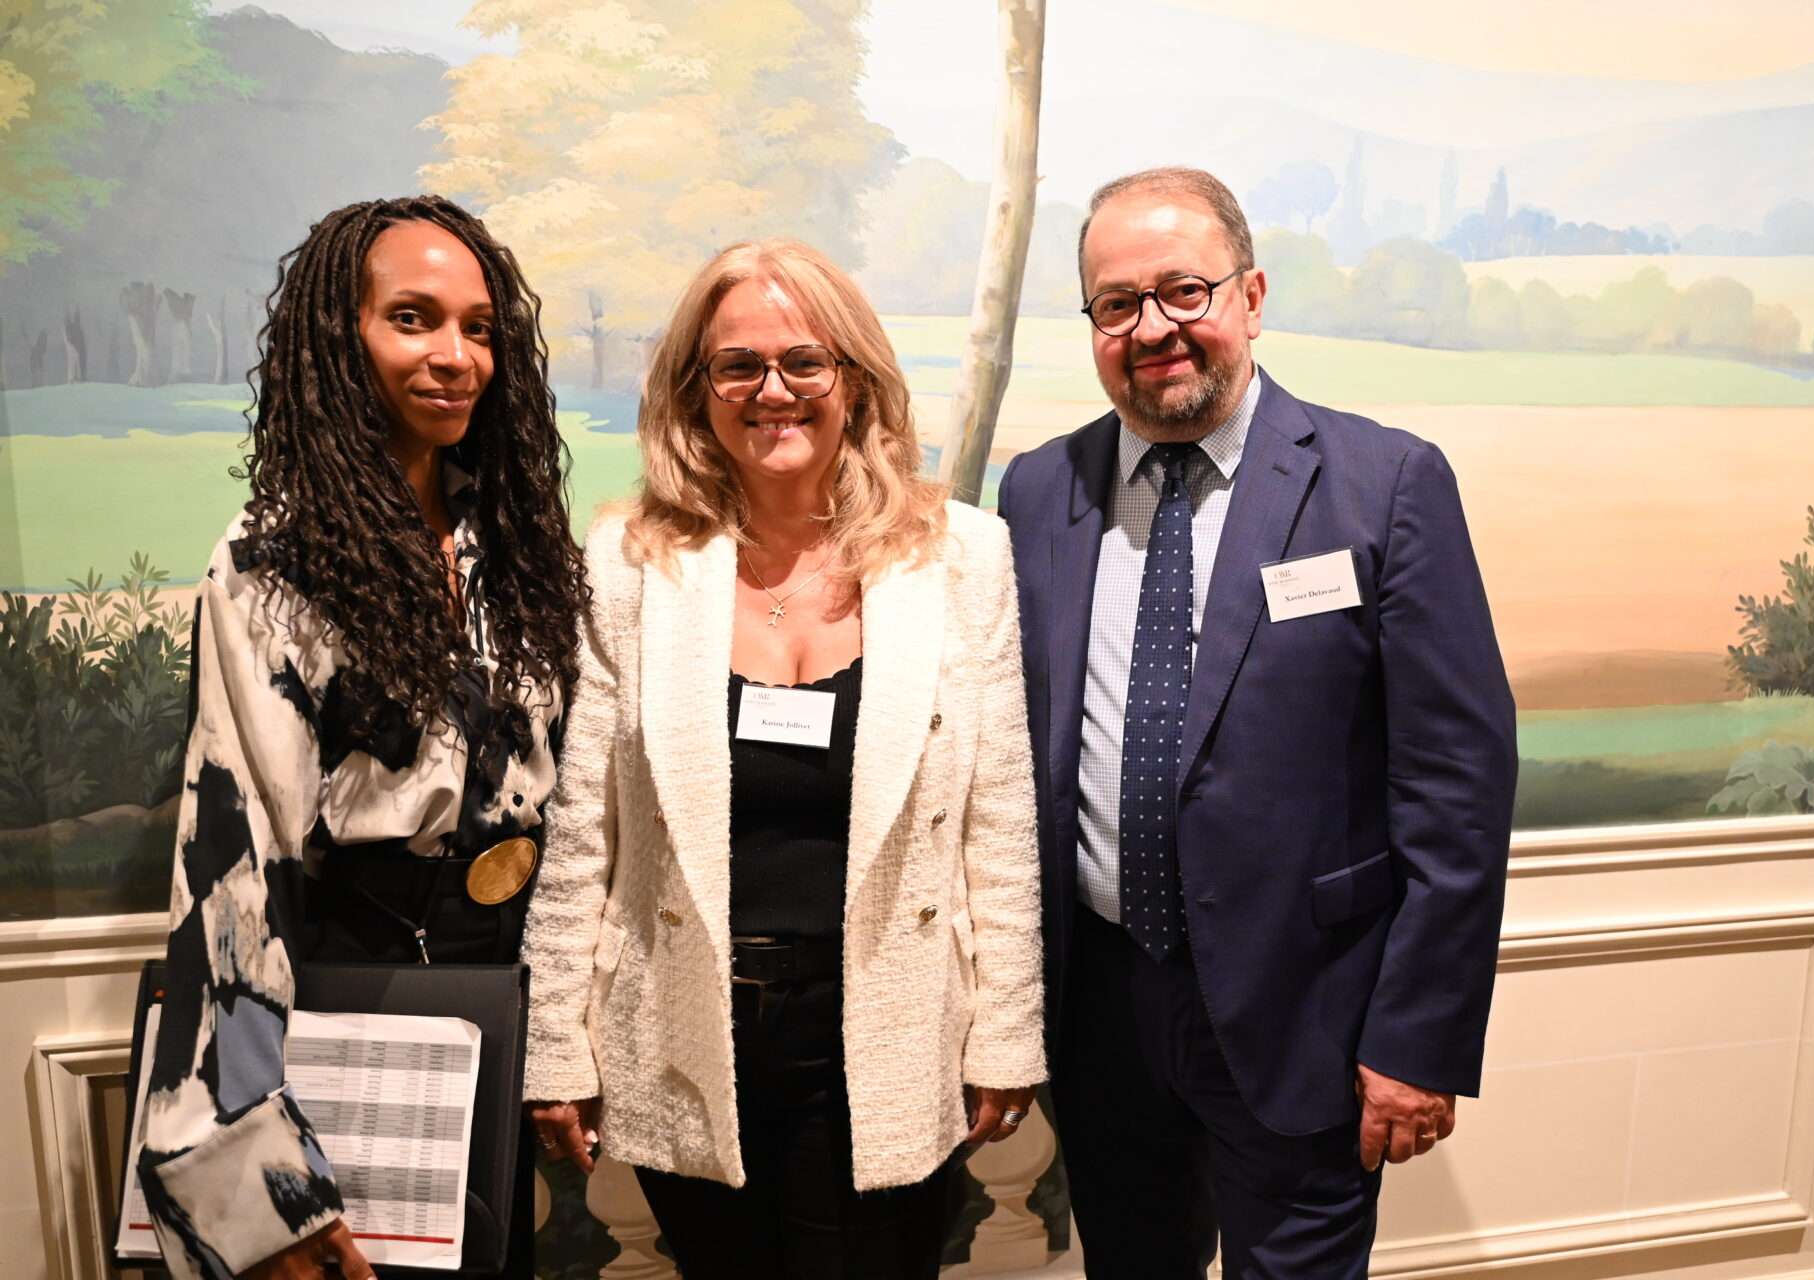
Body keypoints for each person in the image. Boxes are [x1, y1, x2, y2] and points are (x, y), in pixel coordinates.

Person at [996, 167, 1518, 1278]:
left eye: (1185, 291)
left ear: (1252, 294)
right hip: (1102, 1009)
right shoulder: (1040, 491)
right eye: (1118, 303)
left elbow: (1458, 788)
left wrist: (1416, 1038)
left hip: (1307, 1016)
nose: (1154, 328)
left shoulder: (1384, 484)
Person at [522, 238, 1045, 1279]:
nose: (774, 391)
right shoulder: (630, 563)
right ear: (696, 390)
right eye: (738, 366)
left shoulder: (959, 556)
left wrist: (1008, 1031)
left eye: (805, 362)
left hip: (886, 1027)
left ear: (854, 380)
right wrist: (555, 1043)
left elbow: (999, 816)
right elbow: (583, 828)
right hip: (690, 1028)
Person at [134, 195, 589, 1280]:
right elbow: (235, 867)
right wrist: (261, 1185)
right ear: (341, 339)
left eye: (479, 328)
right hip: (355, 984)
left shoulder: (514, 549)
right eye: (414, 319)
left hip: (505, 984)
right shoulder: (274, 562)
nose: (456, 356)